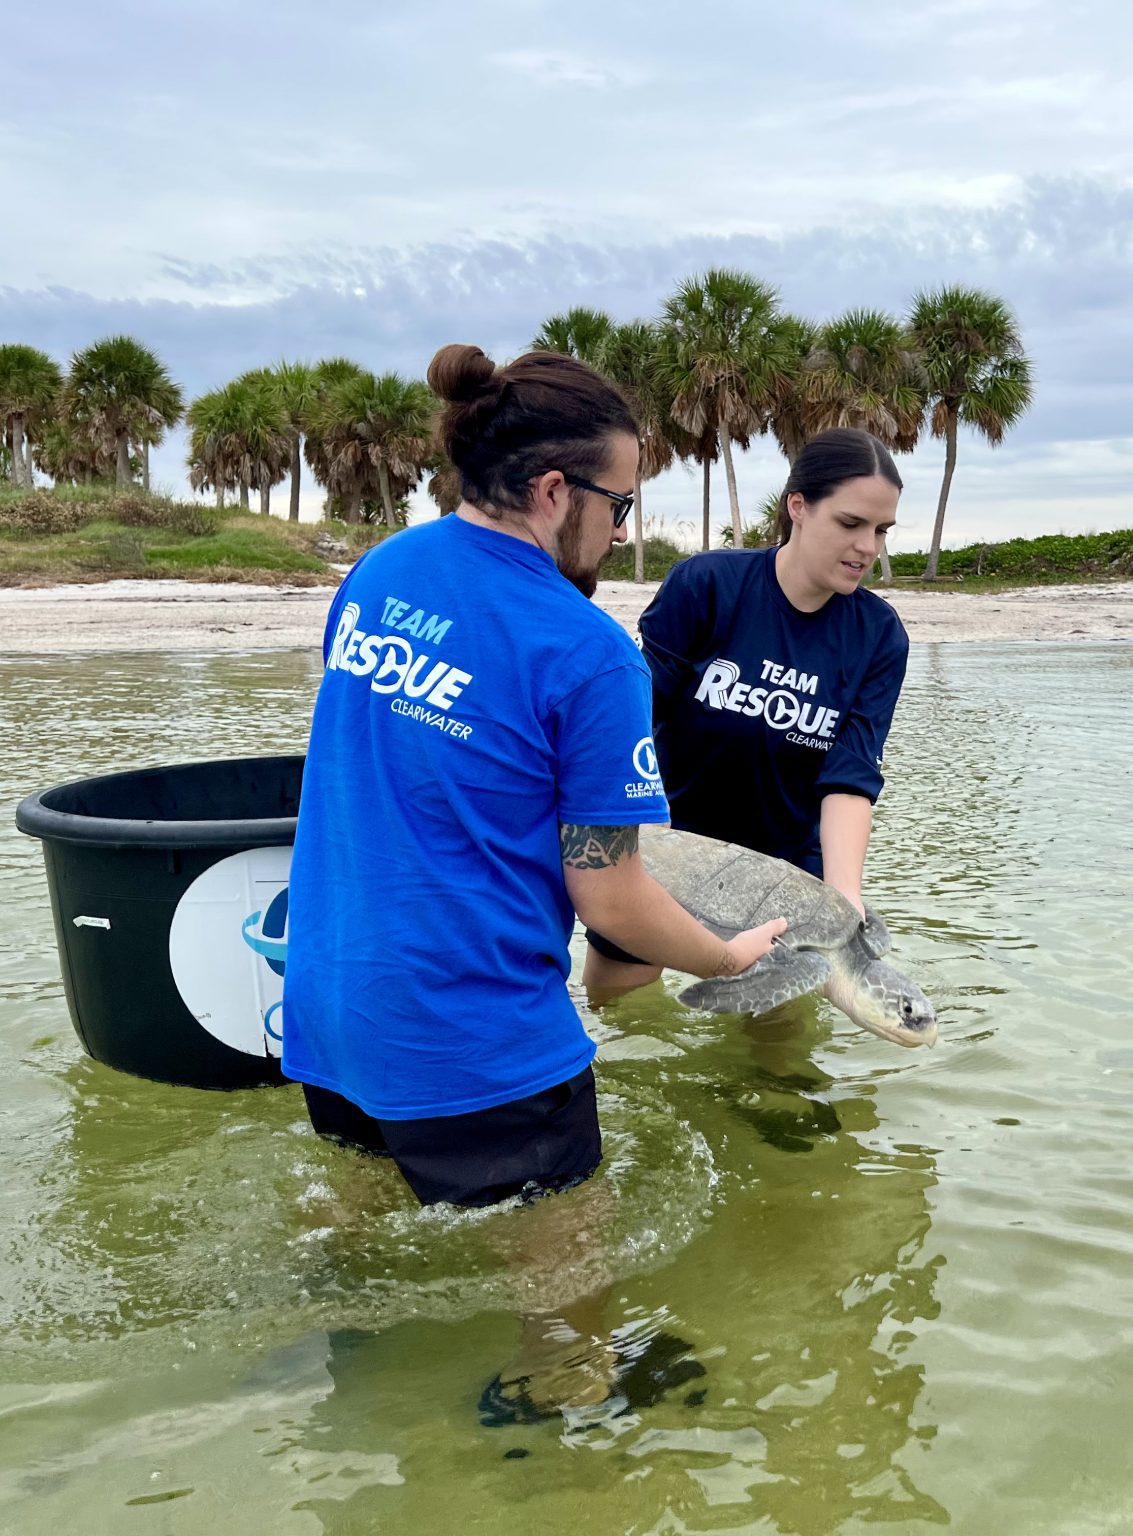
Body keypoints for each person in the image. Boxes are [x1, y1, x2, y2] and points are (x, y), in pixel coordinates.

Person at [281, 342, 787, 1212]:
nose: (623, 529)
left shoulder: (377, 572)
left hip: (332, 1013)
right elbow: (612, 899)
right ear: (556, 491)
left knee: (367, 1259)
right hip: (479, 1045)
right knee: (565, 1310)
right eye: (620, 502)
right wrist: (726, 955)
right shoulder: (589, 656)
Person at [585, 426, 910, 995]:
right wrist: (640, 833)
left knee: (777, 1062)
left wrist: (843, 901)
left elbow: (850, 778)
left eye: (882, 530)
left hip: (786, 880)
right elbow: (632, 717)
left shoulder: (878, 637)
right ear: (799, 507)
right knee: (625, 1025)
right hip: (670, 850)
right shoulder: (707, 585)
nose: (868, 548)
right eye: (851, 523)